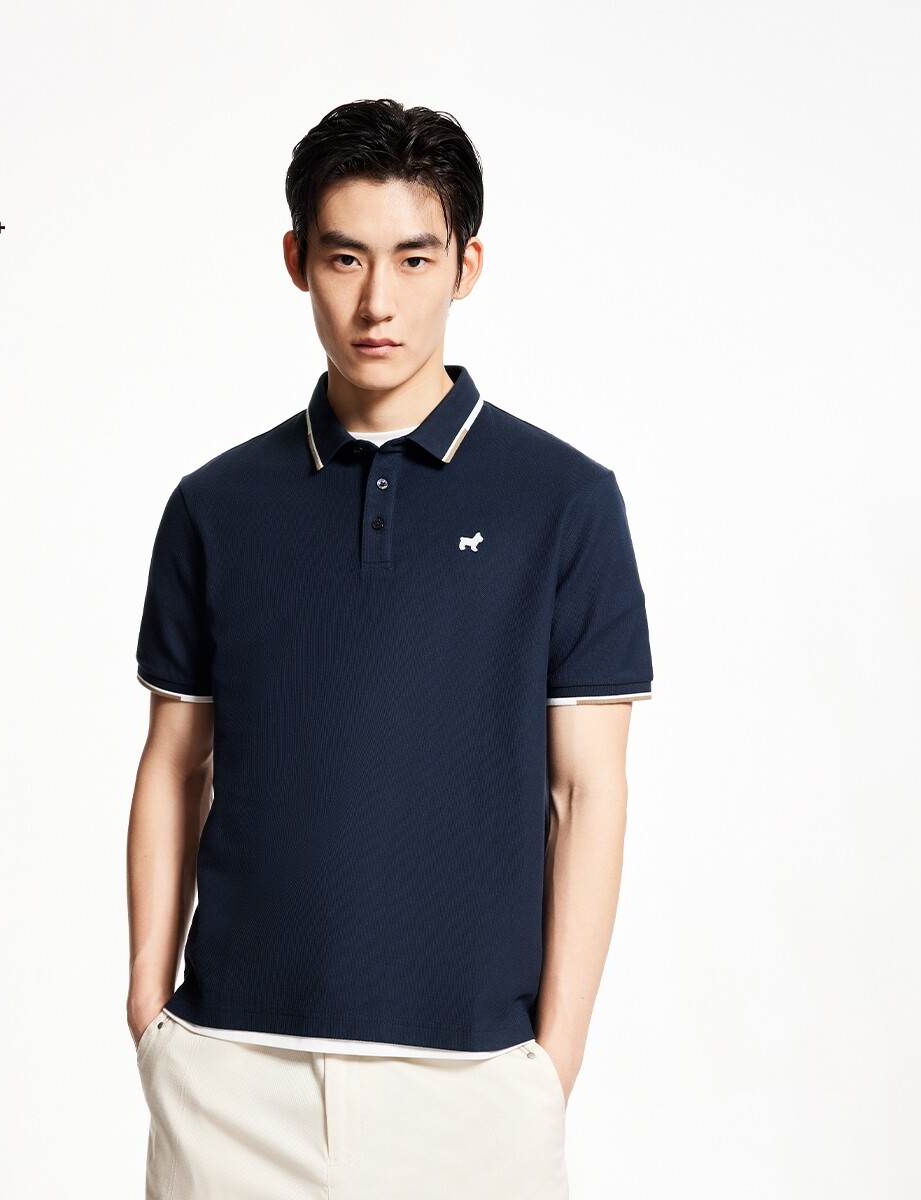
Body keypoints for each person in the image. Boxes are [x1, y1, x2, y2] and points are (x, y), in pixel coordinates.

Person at [126, 97, 653, 1199]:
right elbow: (176, 759)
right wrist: (150, 1008)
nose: (379, 302)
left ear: (466, 266)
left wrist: (551, 1064)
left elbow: (586, 792)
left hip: (472, 1087)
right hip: (232, 1072)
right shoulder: (217, 506)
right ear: (296, 262)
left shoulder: (564, 503)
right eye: (345, 258)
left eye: (414, 259)